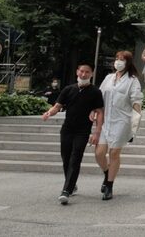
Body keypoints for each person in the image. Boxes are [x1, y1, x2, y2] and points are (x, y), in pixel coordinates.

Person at [41, 63, 104, 205]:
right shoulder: (69, 89)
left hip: (83, 131)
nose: (84, 74)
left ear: (91, 74)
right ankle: (71, 184)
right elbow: (58, 106)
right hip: (67, 129)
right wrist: (49, 113)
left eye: (87, 72)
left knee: (75, 158)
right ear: (77, 72)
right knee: (66, 158)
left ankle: (66, 190)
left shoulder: (95, 92)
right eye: (81, 71)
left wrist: (97, 132)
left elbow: (99, 112)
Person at [95, 51, 144, 201]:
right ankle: (107, 172)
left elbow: (136, 100)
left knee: (114, 152)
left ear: (128, 62)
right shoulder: (108, 78)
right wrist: (94, 111)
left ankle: (109, 185)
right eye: (117, 59)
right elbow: (99, 96)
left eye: (122, 59)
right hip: (106, 119)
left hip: (122, 120)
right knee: (99, 153)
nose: (118, 62)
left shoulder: (132, 80)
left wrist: (136, 120)